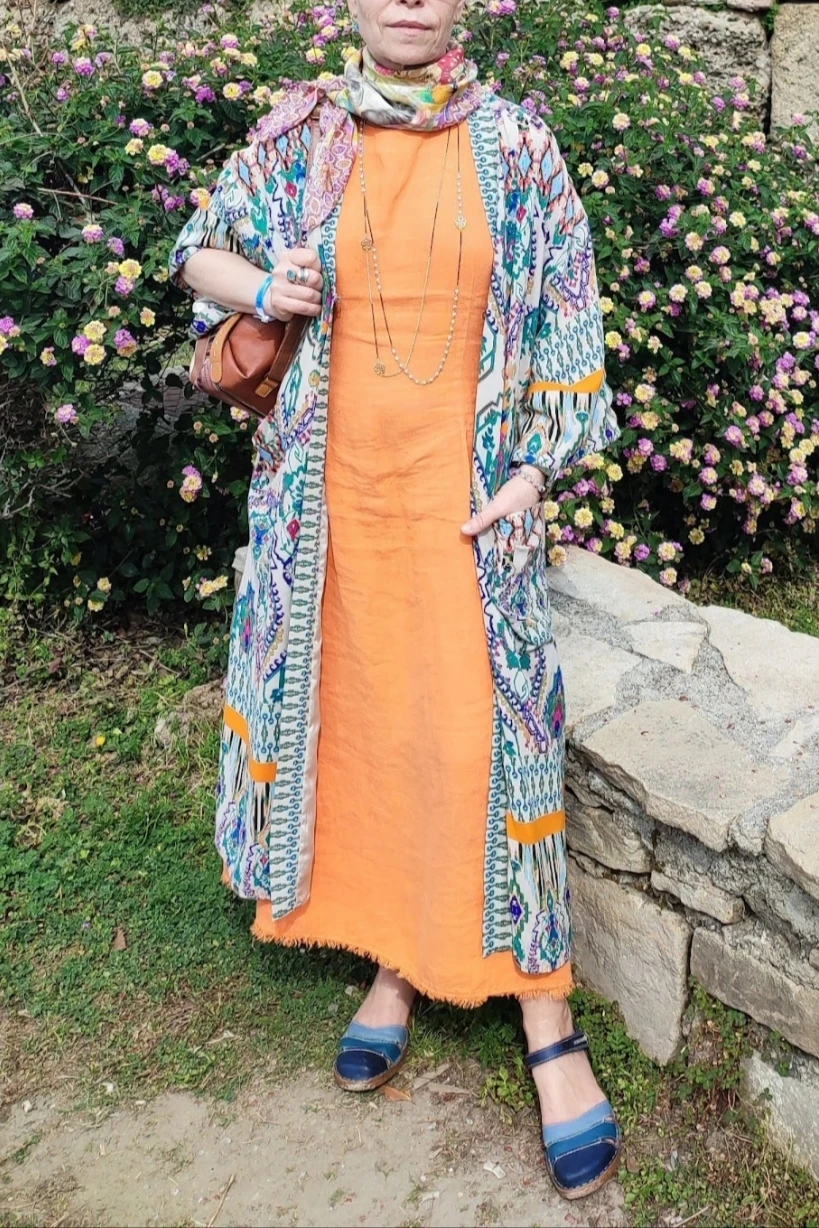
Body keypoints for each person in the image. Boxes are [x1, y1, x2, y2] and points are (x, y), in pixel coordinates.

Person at [169, 0, 622, 1201]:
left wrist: (532, 476)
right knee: (370, 730)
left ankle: (547, 1016)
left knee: (489, 738)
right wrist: (266, 282)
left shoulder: (518, 143)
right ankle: (393, 962)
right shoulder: (304, 132)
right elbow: (198, 251)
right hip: (330, 509)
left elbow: (569, 312)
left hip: (469, 509)